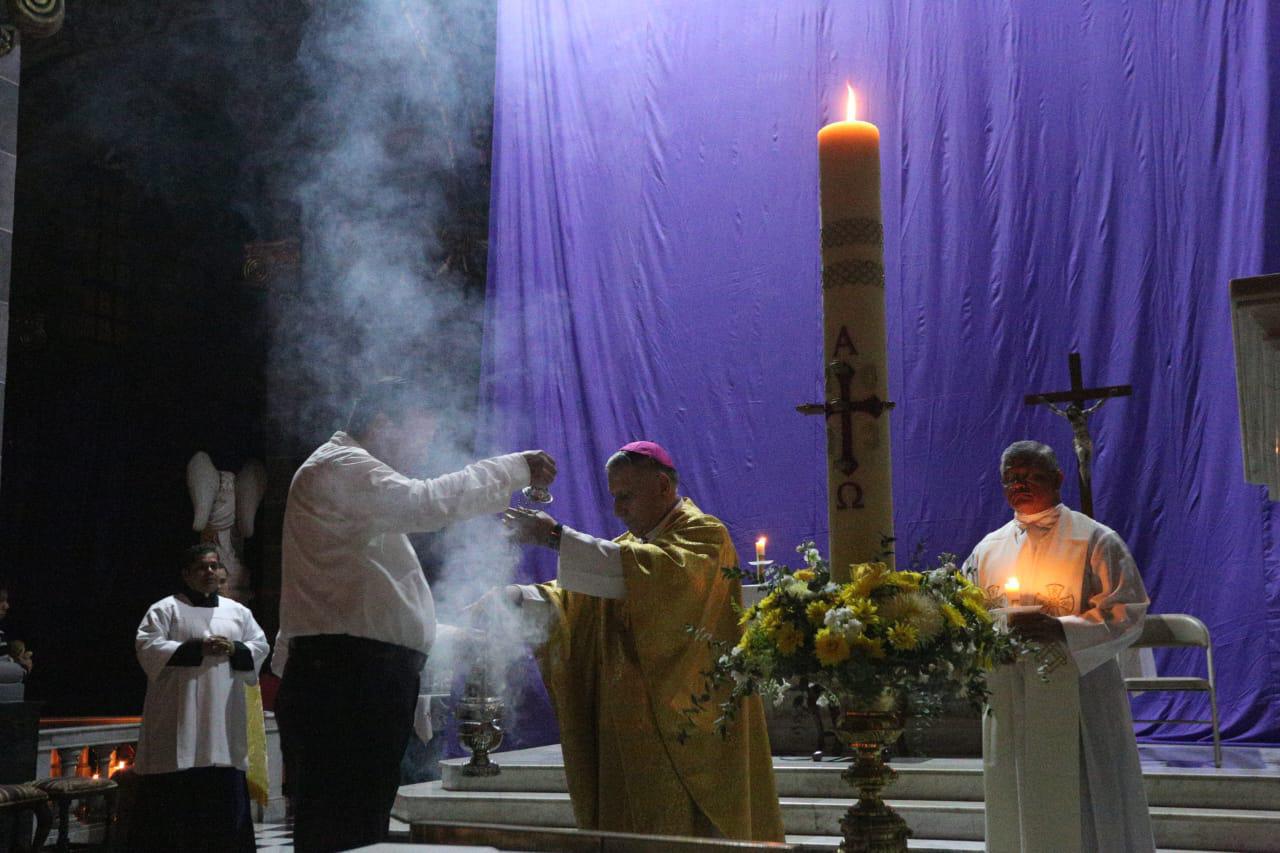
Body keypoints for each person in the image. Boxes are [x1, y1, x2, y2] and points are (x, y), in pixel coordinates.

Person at [273, 377, 556, 853]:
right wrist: (512, 469)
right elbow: (425, 502)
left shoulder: (355, 490)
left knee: (357, 822)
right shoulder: (341, 466)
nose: (421, 455)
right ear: (384, 426)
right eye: (419, 438)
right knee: (341, 825)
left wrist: (446, 635)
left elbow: (373, 604)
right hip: (345, 678)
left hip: (352, 672)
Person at [496, 441, 784, 842]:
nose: (618, 509)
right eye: (614, 498)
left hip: (682, 723)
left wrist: (556, 537)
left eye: (626, 496)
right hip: (628, 726)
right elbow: (578, 600)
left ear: (664, 486)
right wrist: (519, 597)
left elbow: (656, 575)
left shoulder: (704, 535)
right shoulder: (628, 547)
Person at [963, 440, 1154, 853]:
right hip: (1011, 690)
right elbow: (967, 614)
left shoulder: (1096, 540)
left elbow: (1128, 610)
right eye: (1012, 478)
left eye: (1031, 476)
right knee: (1014, 785)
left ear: (1058, 479)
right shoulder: (987, 549)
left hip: (1078, 692)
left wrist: (1061, 628)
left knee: (1081, 789)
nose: (1021, 485)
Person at [128, 544, 269, 853]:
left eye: (215, 566)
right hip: (178, 719)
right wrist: (196, 648)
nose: (210, 572)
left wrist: (235, 649)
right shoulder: (165, 609)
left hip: (223, 723)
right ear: (186, 573)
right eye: (202, 567)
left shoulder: (238, 612)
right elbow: (148, 648)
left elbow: (260, 646)